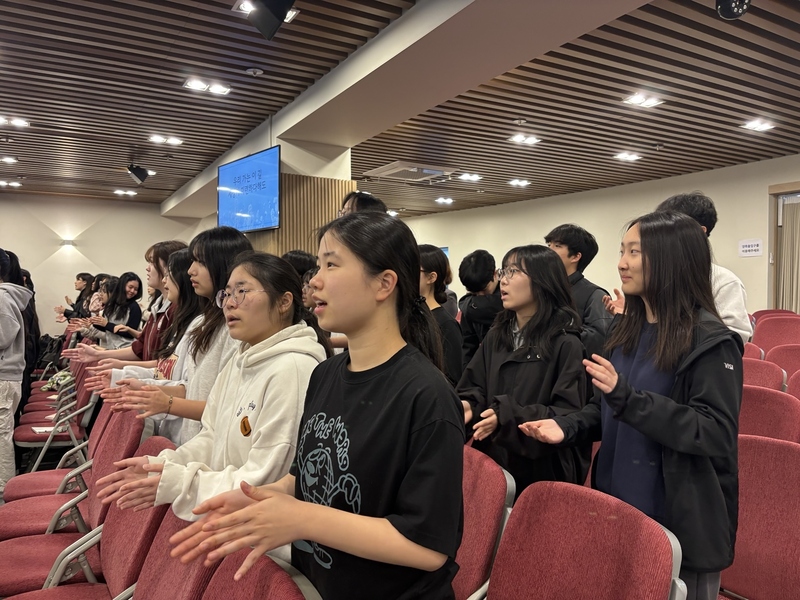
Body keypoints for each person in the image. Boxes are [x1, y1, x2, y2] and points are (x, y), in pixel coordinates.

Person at [169, 212, 464, 600]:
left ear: (384, 284)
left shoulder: (426, 395)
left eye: (331, 265)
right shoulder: (326, 374)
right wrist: (256, 498)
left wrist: (304, 519)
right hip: (313, 583)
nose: (315, 281)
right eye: (318, 266)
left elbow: (427, 549)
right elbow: (301, 479)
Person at [522, 211, 742, 600]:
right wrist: (567, 427)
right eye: (622, 251)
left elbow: (713, 431)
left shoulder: (709, 339)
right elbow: (606, 408)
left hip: (678, 523)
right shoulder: (628, 330)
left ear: (672, 258)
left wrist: (628, 398)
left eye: (635, 252)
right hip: (618, 507)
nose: (622, 262)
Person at [95, 252, 329, 527]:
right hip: (222, 516)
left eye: (241, 292)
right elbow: (211, 435)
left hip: (253, 532)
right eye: (227, 294)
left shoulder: (293, 368)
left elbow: (262, 482)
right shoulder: (243, 358)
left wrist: (178, 481)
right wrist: (164, 465)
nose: (229, 303)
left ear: (284, 302)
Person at [97, 227, 251, 445]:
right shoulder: (201, 322)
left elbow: (228, 407)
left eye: (199, 262)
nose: (191, 271)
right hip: (189, 438)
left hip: (207, 443)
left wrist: (164, 401)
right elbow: (190, 384)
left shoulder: (234, 329)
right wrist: (141, 387)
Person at [458, 245, 589, 495]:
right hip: (494, 464)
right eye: (503, 271)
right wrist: (468, 406)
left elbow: (567, 415)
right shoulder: (498, 336)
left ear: (543, 281)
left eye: (514, 271)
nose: (503, 280)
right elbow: (475, 386)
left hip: (540, 473)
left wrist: (507, 416)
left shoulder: (565, 343)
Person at [604, 192, 752, 345]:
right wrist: (631, 315)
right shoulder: (652, 278)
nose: (622, 265)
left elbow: (732, 339)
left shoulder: (724, 282)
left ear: (697, 233)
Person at [545, 224, 612, 358]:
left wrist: (552, 333)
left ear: (575, 256)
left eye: (557, 246)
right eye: (549, 245)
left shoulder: (595, 295)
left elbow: (599, 342)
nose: (548, 251)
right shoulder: (541, 289)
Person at [0, 247, 33, 496]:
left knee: (1, 437)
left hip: (4, 377)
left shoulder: (2, 297)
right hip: (6, 376)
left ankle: (4, 491)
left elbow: (3, 337)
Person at [419, 244, 463, 386]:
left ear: (431, 277)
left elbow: (452, 379)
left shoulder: (446, 324)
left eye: (413, 270)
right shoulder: (411, 317)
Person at [458, 249, 503, 368]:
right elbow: (468, 346)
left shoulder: (509, 298)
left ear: (495, 274)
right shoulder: (469, 304)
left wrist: (466, 305)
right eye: (475, 293)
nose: (480, 296)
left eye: (484, 290)